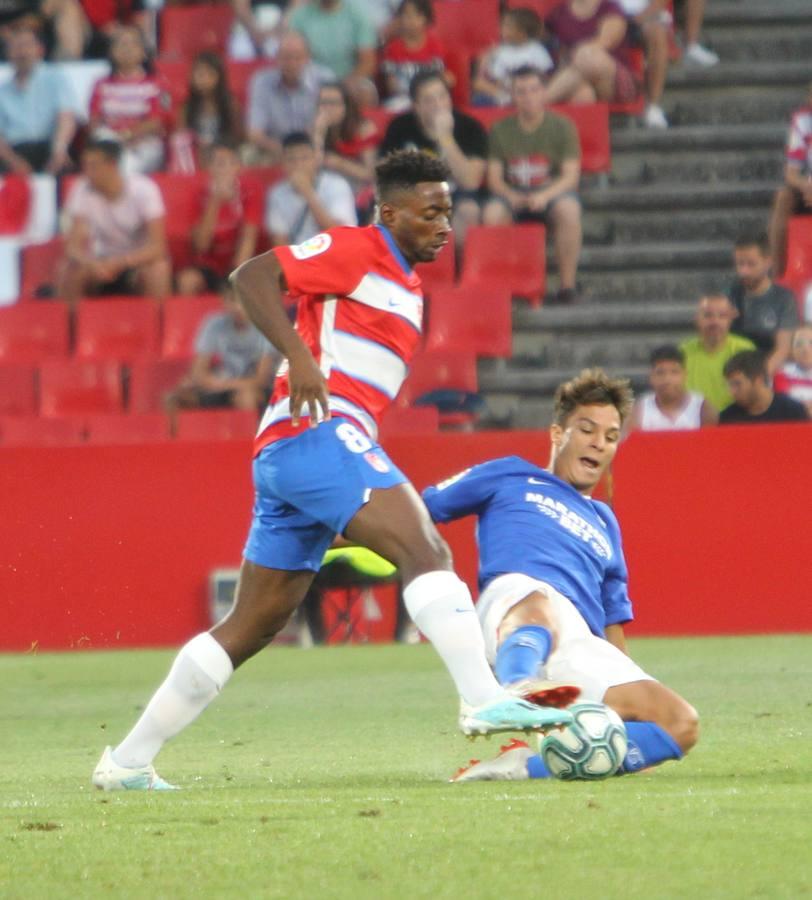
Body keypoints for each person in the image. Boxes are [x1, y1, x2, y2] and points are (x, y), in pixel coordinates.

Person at [91, 150, 572, 792]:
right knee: (424, 547)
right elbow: (250, 277)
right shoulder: (356, 249)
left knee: (250, 624)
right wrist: (298, 357)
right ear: (390, 212)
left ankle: (125, 763)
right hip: (316, 429)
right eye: (430, 212)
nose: (444, 224)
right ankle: (482, 697)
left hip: (300, 449)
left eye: (449, 212)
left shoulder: (407, 285)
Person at [419, 368, 700, 782]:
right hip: (514, 611)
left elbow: (611, 622)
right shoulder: (511, 475)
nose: (599, 443)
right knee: (540, 599)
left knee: (681, 723)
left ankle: (522, 769)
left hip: (580, 644)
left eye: (610, 436)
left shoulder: (605, 521)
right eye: (587, 429)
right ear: (557, 434)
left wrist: (623, 705)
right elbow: (421, 511)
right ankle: (515, 690)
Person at [484, 66, 582, 304]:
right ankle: (505, 285)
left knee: (569, 210)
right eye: (521, 92)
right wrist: (511, 196)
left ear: (543, 92)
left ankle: (567, 286)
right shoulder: (499, 129)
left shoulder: (563, 126)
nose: (528, 97)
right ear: (513, 96)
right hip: (513, 192)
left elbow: (571, 176)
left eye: (533, 90)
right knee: (492, 214)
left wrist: (545, 196)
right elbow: (494, 178)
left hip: (551, 191)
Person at [56, 138, 171, 306]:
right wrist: (93, 264)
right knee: (68, 270)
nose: (87, 172)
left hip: (137, 260)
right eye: (85, 166)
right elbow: (73, 247)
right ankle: (68, 326)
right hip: (101, 259)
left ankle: (159, 325)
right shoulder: (82, 189)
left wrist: (121, 262)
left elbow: (158, 247)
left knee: (158, 270)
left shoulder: (144, 190)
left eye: (93, 166)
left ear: (112, 165)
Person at [379, 70, 488, 248]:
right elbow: (385, 174)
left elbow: (471, 182)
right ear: (416, 105)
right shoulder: (399, 127)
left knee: (469, 210)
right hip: (412, 194)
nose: (438, 105)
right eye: (429, 100)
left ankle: (459, 270)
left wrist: (445, 137)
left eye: (442, 96)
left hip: (456, 195)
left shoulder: (470, 127)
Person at [165, 285, 279, 415]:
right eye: (232, 300)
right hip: (221, 385)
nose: (238, 307)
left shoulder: (267, 326)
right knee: (175, 398)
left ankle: (247, 435)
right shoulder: (213, 324)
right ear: (224, 301)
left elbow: (260, 379)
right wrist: (212, 383)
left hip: (256, 389)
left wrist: (219, 384)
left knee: (246, 397)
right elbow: (198, 371)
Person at [175, 141, 263, 296]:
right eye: (220, 164)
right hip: (208, 265)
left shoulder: (250, 191)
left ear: (238, 167)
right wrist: (214, 202)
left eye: (232, 163)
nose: (226, 170)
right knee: (187, 281)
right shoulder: (197, 196)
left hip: (238, 262)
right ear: (210, 168)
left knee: (249, 280)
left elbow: (249, 238)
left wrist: (235, 274)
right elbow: (201, 245)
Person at [88, 24, 172, 175]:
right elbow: (94, 120)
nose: (126, 48)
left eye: (133, 43)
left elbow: (157, 122)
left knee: (125, 164)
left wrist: (127, 135)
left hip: (144, 144)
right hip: (109, 143)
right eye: (121, 43)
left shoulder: (158, 84)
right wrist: (114, 139)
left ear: (143, 52)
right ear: (112, 51)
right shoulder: (101, 85)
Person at [0, 25, 75, 174]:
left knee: (67, 166)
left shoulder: (55, 78)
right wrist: (13, 161)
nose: (22, 52)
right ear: (8, 53)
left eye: (27, 46)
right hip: (15, 150)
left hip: (50, 145)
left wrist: (59, 151)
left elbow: (66, 117)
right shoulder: (2, 91)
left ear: (39, 49)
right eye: (16, 47)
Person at [245, 32, 327, 164]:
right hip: (275, 148)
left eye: (298, 57)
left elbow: (329, 124)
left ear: (308, 58)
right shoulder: (261, 81)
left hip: (316, 147)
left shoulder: (324, 79)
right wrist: (289, 153)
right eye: (286, 57)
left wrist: (303, 153)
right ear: (276, 58)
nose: (291, 63)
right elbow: (255, 134)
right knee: (247, 155)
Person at [265, 131, 357, 247]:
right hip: (299, 258)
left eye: (304, 158)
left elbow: (340, 234)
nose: (298, 165)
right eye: (291, 159)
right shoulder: (277, 193)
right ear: (283, 162)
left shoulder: (337, 185)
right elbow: (279, 242)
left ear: (315, 159)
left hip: (333, 254)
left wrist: (308, 193)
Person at [543, 0, 641, 108]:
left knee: (589, 56)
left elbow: (606, 41)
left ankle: (541, 101)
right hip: (574, 76)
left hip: (611, 80)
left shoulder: (610, 7)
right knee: (583, 95)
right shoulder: (559, 12)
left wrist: (577, 54)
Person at [727, 232, 799, 375]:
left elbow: (782, 349)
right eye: (740, 264)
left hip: (767, 371)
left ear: (768, 262)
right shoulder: (729, 296)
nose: (744, 271)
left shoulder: (783, 299)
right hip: (733, 370)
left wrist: (759, 377)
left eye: (751, 264)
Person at [680, 293, 755, 412]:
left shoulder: (744, 350)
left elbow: (752, 394)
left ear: (731, 320)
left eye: (722, 316)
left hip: (734, 419)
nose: (715, 322)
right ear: (696, 319)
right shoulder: (682, 352)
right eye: (708, 315)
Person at [768, 81, 812, 278]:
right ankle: (776, 275)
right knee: (783, 197)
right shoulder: (803, 120)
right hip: (809, 188)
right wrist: (807, 186)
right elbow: (791, 173)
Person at [312, 81, 380, 205]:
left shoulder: (363, 128)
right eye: (323, 103)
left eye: (333, 103)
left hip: (358, 189)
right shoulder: (315, 128)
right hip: (326, 189)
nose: (327, 109)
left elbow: (371, 174)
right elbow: (312, 167)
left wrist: (340, 163)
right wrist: (318, 135)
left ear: (346, 105)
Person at [288, 0, 376, 95]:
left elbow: (367, 61)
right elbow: (292, 54)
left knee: (364, 93)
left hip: (349, 80)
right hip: (310, 81)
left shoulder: (358, 14)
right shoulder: (300, 16)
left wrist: (345, 85)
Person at [472, 6, 553, 108]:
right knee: (479, 99)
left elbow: (544, 75)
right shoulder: (499, 51)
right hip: (504, 91)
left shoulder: (537, 51)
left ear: (521, 33)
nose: (501, 29)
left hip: (529, 91)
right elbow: (494, 77)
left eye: (507, 26)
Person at [627, 344, 716, 432]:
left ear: (685, 375)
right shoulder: (640, 409)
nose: (667, 379)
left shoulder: (702, 407)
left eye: (674, 372)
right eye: (660, 372)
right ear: (651, 377)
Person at [380, 0, 448, 112]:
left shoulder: (434, 45)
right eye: (406, 15)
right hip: (402, 97)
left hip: (429, 97)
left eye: (417, 15)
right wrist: (409, 94)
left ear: (426, 19)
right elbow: (391, 83)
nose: (411, 20)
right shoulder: (393, 48)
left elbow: (439, 77)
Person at [176, 51, 243, 161]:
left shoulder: (230, 104)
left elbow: (237, 135)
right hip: (196, 154)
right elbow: (181, 136)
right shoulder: (186, 107)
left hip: (224, 151)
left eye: (209, 74)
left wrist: (218, 148)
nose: (203, 79)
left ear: (219, 77)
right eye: (199, 74)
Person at [616, 0, 670, 128]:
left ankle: (652, 105)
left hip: (641, 17)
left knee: (657, 34)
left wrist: (636, 20)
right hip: (604, 14)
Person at [719, 350, 808, 425]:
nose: (731, 392)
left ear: (759, 380)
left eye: (737, 384)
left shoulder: (793, 411)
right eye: (730, 385)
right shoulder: (728, 418)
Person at [774, 326, 812, 417]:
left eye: (811, 343)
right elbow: (783, 403)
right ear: (791, 350)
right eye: (799, 344)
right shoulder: (782, 374)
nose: (805, 350)